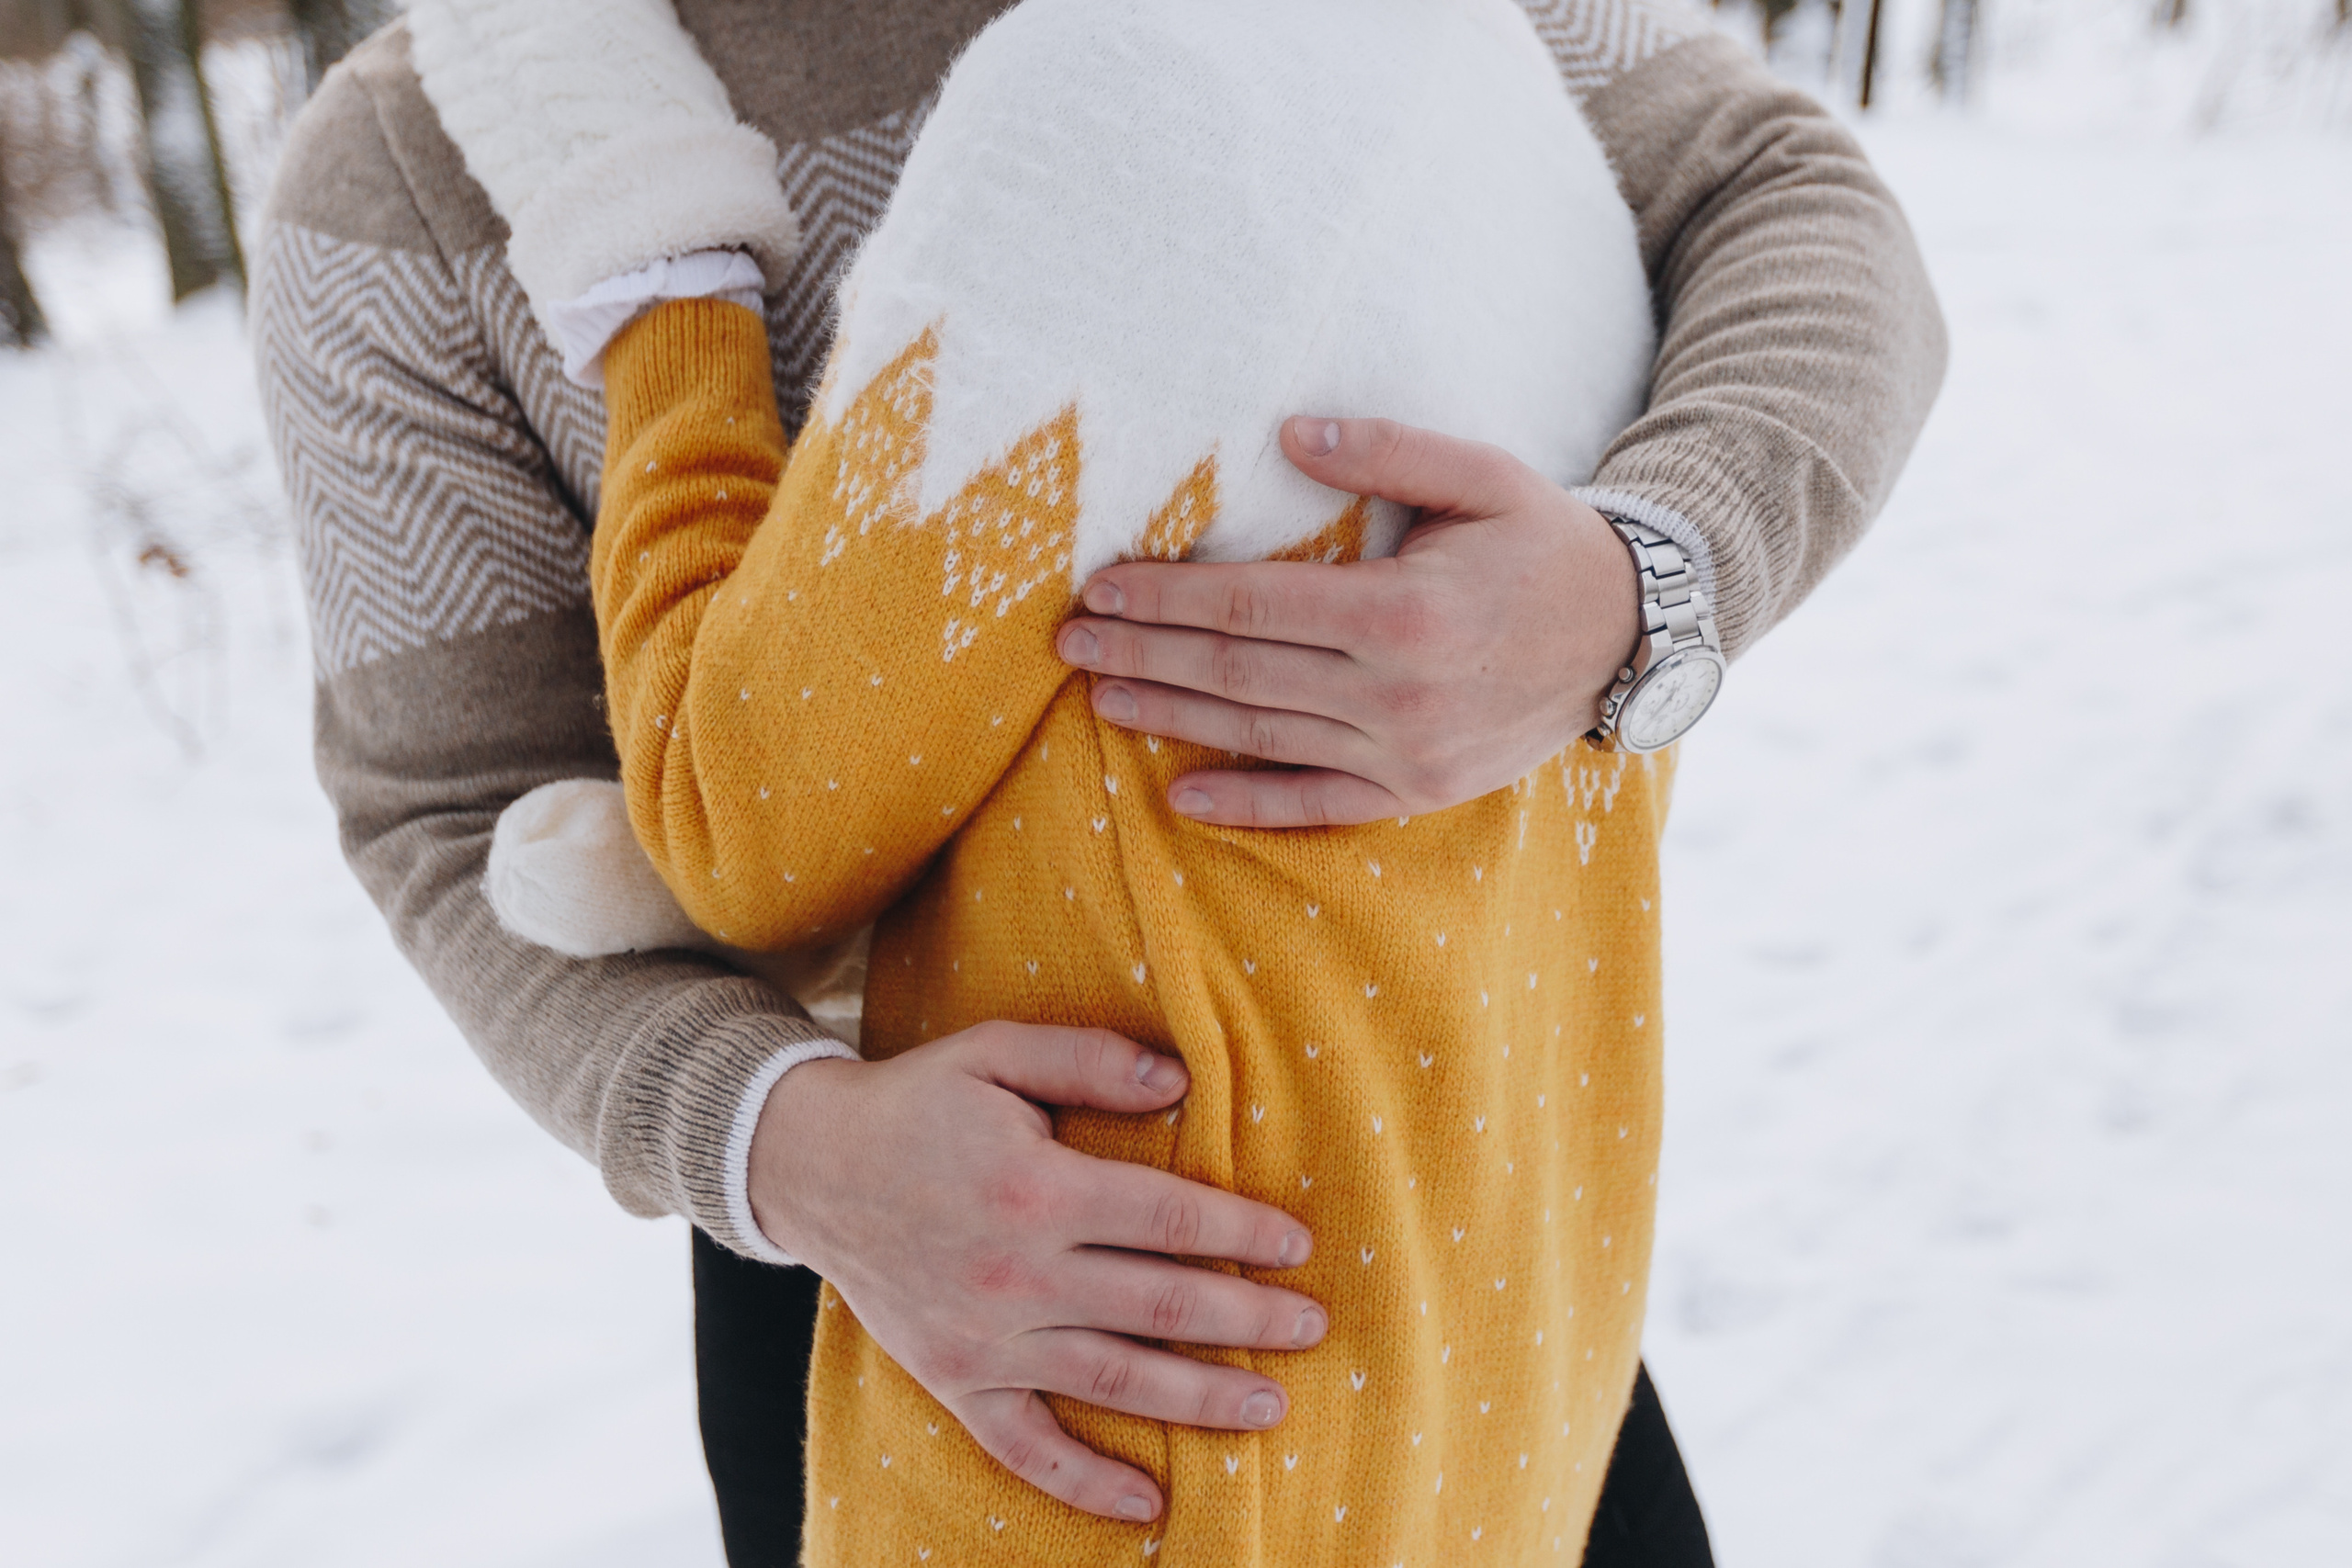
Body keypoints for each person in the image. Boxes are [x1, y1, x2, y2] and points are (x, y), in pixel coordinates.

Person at [251, 1, 1943, 1562]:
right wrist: (783, 1145)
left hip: (1460, 1153)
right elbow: (453, 805)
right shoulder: (407, 177)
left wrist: (1639, 585)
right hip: (904, 1278)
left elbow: (1783, 200)